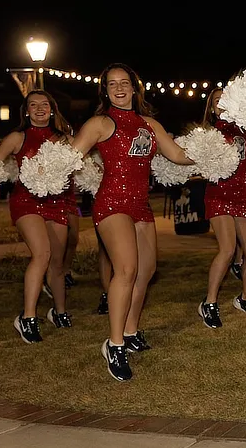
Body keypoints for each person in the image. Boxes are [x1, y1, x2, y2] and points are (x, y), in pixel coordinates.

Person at [71, 64, 195, 381]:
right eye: (112, 84)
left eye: (124, 83)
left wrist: (211, 151)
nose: (119, 88)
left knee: (146, 270)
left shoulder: (149, 123)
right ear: (105, 91)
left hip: (140, 204)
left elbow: (178, 155)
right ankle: (114, 345)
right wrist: (47, 171)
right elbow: (71, 157)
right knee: (126, 269)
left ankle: (129, 330)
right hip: (111, 203)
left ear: (135, 88)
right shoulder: (100, 123)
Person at [0, 91, 74, 342]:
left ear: (53, 109)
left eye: (44, 104)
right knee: (41, 253)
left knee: (56, 262)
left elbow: (79, 166)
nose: (39, 108)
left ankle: (59, 311)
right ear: (26, 111)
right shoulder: (17, 137)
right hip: (26, 201)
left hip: (56, 203)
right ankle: (28, 317)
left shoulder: (65, 140)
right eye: (33, 105)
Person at [197, 88, 246, 328]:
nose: (221, 104)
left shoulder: (245, 131)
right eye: (217, 101)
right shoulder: (209, 134)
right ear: (212, 108)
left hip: (243, 196)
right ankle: (210, 302)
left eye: (225, 99)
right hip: (218, 196)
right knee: (227, 250)